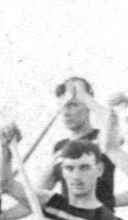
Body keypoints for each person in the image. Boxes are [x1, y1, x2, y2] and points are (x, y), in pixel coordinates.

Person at [40, 77, 119, 208]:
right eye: (63, 106)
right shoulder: (60, 147)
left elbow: (113, 120)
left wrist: (84, 96)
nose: (66, 113)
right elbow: (38, 193)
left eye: (72, 105)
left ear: (87, 107)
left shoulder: (102, 138)